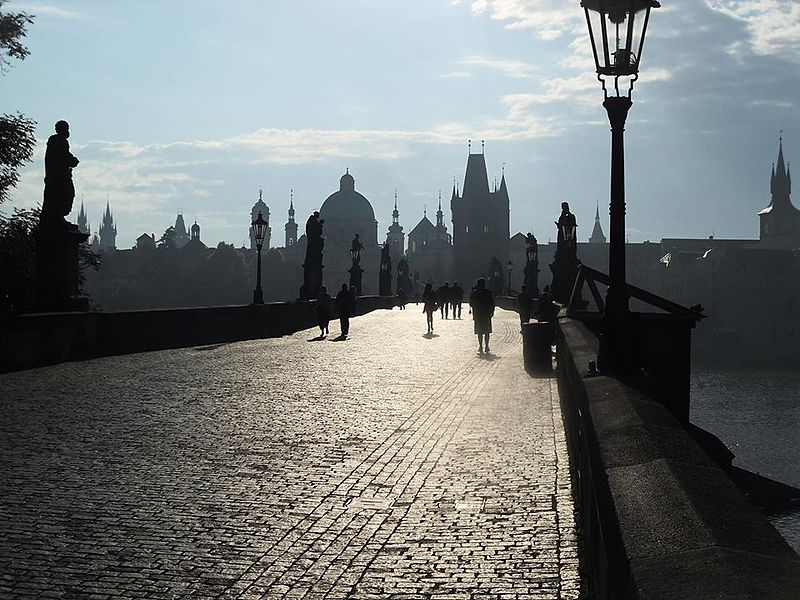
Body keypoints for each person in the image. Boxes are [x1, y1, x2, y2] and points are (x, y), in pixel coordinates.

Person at [42, 120, 80, 224]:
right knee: (65, 194)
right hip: (58, 177)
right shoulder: (55, 140)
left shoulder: (61, 141)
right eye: (66, 128)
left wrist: (71, 159)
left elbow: (64, 154)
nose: (67, 131)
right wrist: (72, 160)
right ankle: (56, 217)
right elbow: (60, 156)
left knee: (66, 194)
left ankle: (58, 216)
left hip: (62, 176)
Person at [469, 278, 495, 353]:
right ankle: (487, 346)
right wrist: (492, 311)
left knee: (479, 331)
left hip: (478, 314)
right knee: (487, 331)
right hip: (486, 314)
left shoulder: (475, 293)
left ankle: (480, 346)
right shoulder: (488, 292)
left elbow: (471, 303)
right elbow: (492, 303)